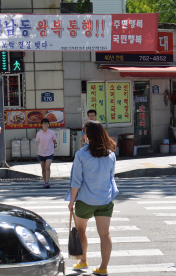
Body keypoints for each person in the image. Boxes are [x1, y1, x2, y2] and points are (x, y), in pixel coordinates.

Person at [66, 121, 118, 276]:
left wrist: (71, 201)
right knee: (105, 234)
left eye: (84, 133)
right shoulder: (111, 154)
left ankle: (83, 261)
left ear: (89, 135)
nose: (83, 135)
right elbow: (111, 178)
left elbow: (76, 181)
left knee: (81, 229)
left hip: (85, 200)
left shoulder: (81, 154)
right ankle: (103, 267)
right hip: (105, 200)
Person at [36, 118, 57, 189]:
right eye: (44, 124)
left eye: (47, 124)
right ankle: (45, 181)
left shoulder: (52, 132)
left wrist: (52, 146)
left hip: (50, 152)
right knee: (43, 168)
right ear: (41, 125)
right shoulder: (38, 133)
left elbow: (54, 140)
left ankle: (47, 182)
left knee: (47, 167)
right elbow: (38, 141)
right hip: (41, 152)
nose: (46, 125)